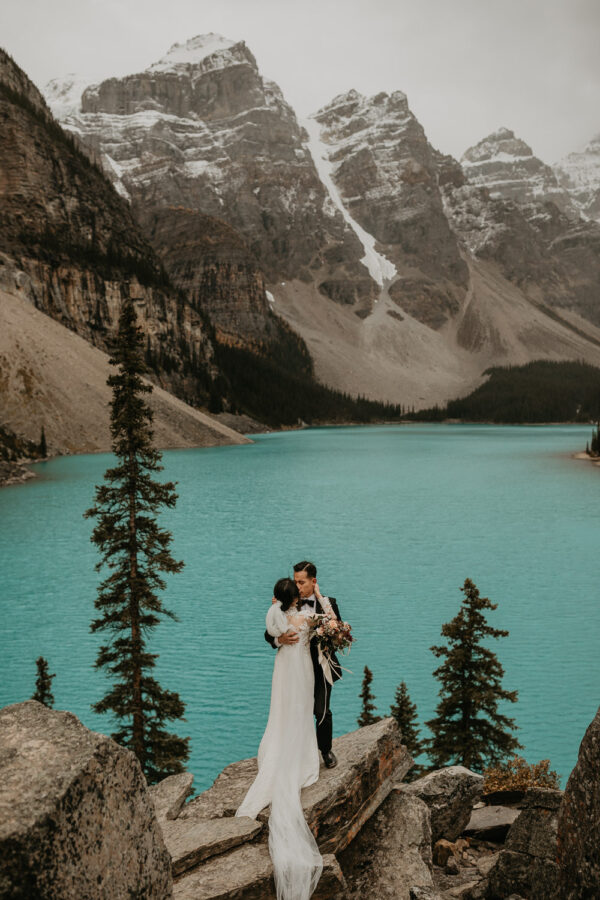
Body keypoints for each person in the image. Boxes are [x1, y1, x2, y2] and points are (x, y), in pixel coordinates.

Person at [236, 577, 323, 900]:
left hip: (283, 669)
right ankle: (302, 754)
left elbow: (272, 630)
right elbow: (327, 624)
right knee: (299, 711)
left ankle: (280, 750)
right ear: (295, 595)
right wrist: (319, 596)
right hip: (300, 669)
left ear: (277, 597)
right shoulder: (305, 618)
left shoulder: (277, 616)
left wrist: (278, 634)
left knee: (283, 711)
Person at [265, 561, 342, 769]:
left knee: (322, 710)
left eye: (301, 582)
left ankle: (325, 750)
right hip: (295, 668)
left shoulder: (328, 603)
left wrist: (320, 599)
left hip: (321, 666)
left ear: (313, 581)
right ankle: (296, 754)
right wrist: (279, 640)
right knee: (296, 710)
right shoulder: (285, 602)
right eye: (295, 581)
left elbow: (339, 633)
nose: (297, 586)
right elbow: (268, 634)